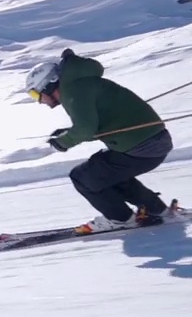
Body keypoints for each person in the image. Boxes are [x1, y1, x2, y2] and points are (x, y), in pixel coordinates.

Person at [25, 48, 178, 233]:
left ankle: (120, 219)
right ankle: (157, 209)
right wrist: (69, 133)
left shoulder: (73, 90)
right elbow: (95, 125)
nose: (38, 100)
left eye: (35, 94)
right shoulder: (80, 84)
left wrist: (63, 142)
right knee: (106, 173)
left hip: (141, 147)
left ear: (48, 84)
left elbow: (86, 129)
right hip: (153, 143)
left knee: (82, 177)